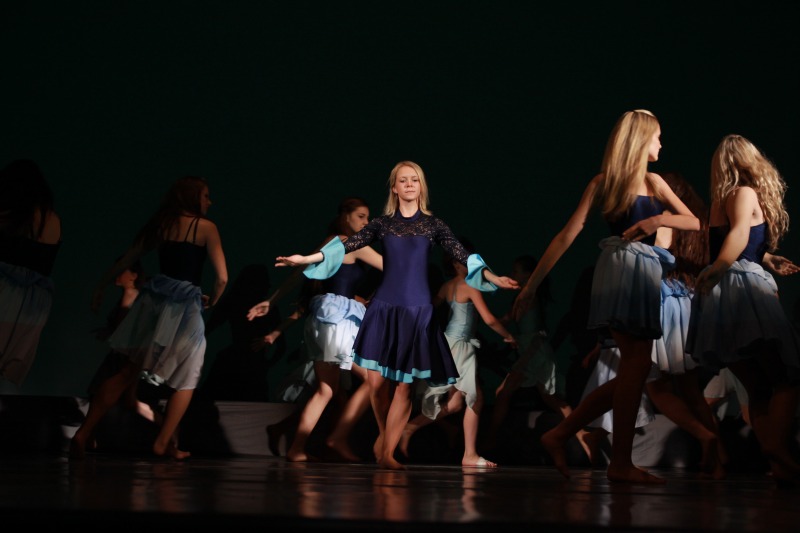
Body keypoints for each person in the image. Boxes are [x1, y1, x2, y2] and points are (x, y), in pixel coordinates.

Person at [272, 161, 519, 469]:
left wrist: (494, 277)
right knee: (381, 384)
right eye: (403, 180)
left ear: (421, 186)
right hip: (384, 309)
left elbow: (462, 254)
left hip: (417, 311)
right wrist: (304, 259)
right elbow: (345, 246)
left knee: (405, 386)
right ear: (395, 187)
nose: (409, 184)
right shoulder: (382, 224)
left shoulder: (433, 225)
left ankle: (387, 452)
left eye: (414, 179)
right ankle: (384, 450)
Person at [512, 110, 700, 484]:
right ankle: (617, 461)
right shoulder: (605, 183)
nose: (661, 143)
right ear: (640, 139)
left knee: (634, 370)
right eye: (657, 136)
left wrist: (657, 220)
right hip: (623, 270)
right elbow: (566, 235)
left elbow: (694, 220)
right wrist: (531, 286)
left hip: (642, 270)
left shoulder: (655, 182)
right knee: (636, 367)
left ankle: (565, 435)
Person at [70, 175, 228, 460]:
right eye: (206, 195)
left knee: (126, 371)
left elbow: (127, 259)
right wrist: (213, 300)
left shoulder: (162, 225)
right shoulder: (206, 227)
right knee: (188, 375)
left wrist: (101, 285)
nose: (210, 201)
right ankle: (163, 442)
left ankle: (84, 432)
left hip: (154, 301)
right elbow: (222, 279)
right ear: (193, 197)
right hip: (183, 306)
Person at [686, 134, 800, 486]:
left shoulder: (723, 199)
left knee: (757, 387)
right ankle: (778, 450)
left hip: (726, 291)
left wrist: (767, 257)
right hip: (744, 290)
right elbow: (737, 236)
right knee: (788, 377)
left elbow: (738, 240)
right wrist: (719, 268)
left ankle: (778, 463)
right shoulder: (744, 193)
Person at [248, 197, 383, 462]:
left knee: (326, 390)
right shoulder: (349, 243)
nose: (366, 222)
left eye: (368, 218)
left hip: (328, 316)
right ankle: (338, 437)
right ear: (345, 217)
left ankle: (296, 447)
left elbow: (301, 272)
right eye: (361, 216)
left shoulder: (331, 242)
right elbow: (392, 268)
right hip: (338, 320)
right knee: (373, 380)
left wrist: (272, 301)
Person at [398, 237, 517, 467]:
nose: (469, 263)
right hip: (460, 346)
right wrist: (508, 336)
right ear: (454, 263)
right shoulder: (469, 286)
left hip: (450, 343)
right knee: (476, 398)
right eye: (464, 259)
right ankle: (469, 455)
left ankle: (410, 427)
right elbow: (489, 319)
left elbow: (429, 309)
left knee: (455, 405)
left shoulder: (447, 286)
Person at [641, 171, 727, 478]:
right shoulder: (698, 225)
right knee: (691, 390)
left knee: (656, 387)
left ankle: (705, 437)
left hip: (666, 305)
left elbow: (658, 257)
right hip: (687, 302)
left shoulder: (666, 218)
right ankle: (719, 458)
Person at [483, 254, 589, 457]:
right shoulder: (526, 297)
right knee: (547, 398)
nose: (513, 274)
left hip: (534, 351)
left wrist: (481, 314)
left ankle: (490, 439)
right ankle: (583, 435)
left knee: (525, 395)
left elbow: (509, 322)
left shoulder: (527, 297)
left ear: (528, 275)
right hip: (531, 351)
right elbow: (509, 322)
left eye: (516, 271)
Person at [0, 159, 62, 393]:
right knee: (10, 367)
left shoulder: (7, 216)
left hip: (6, 296)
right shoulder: (53, 220)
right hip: (34, 306)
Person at [199, 263, 283, 402]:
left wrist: (266, 364)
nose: (268, 286)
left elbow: (207, 329)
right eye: (265, 282)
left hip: (249, 364)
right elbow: (208, 328)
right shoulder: (234, 302)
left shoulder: (235, 302)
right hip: (243, 363)